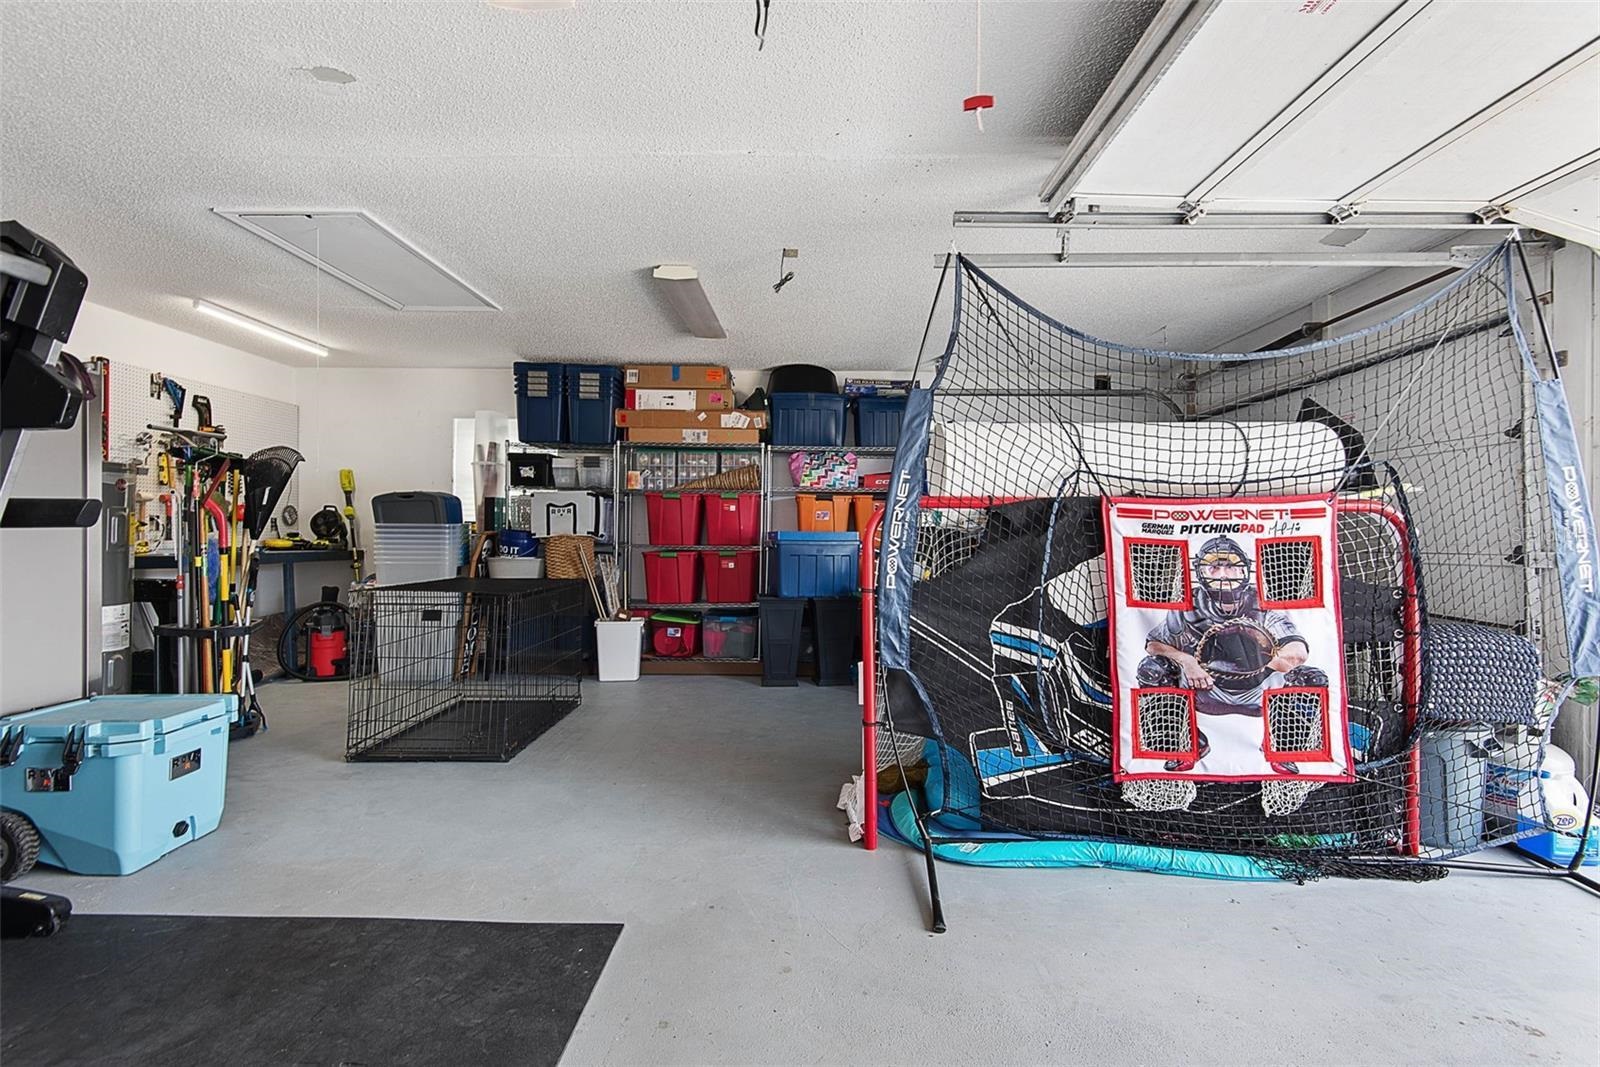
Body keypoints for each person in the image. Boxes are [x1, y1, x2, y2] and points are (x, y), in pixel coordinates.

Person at [1136, 535, 1327, 772]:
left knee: (1312, 678)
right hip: (1205, 689)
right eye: (1214, 567)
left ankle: (1282, 744)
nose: (1223, 575)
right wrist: (1187, 661)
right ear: (1201, 572)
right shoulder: (1188, 605)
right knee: (1152, 669)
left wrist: (1262, 657)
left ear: (1243, 569)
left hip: (1258, 691)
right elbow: (1154, 644)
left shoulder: (1262, 604)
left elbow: (1297, 651)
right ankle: (1185, 743)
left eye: (1230, 566)